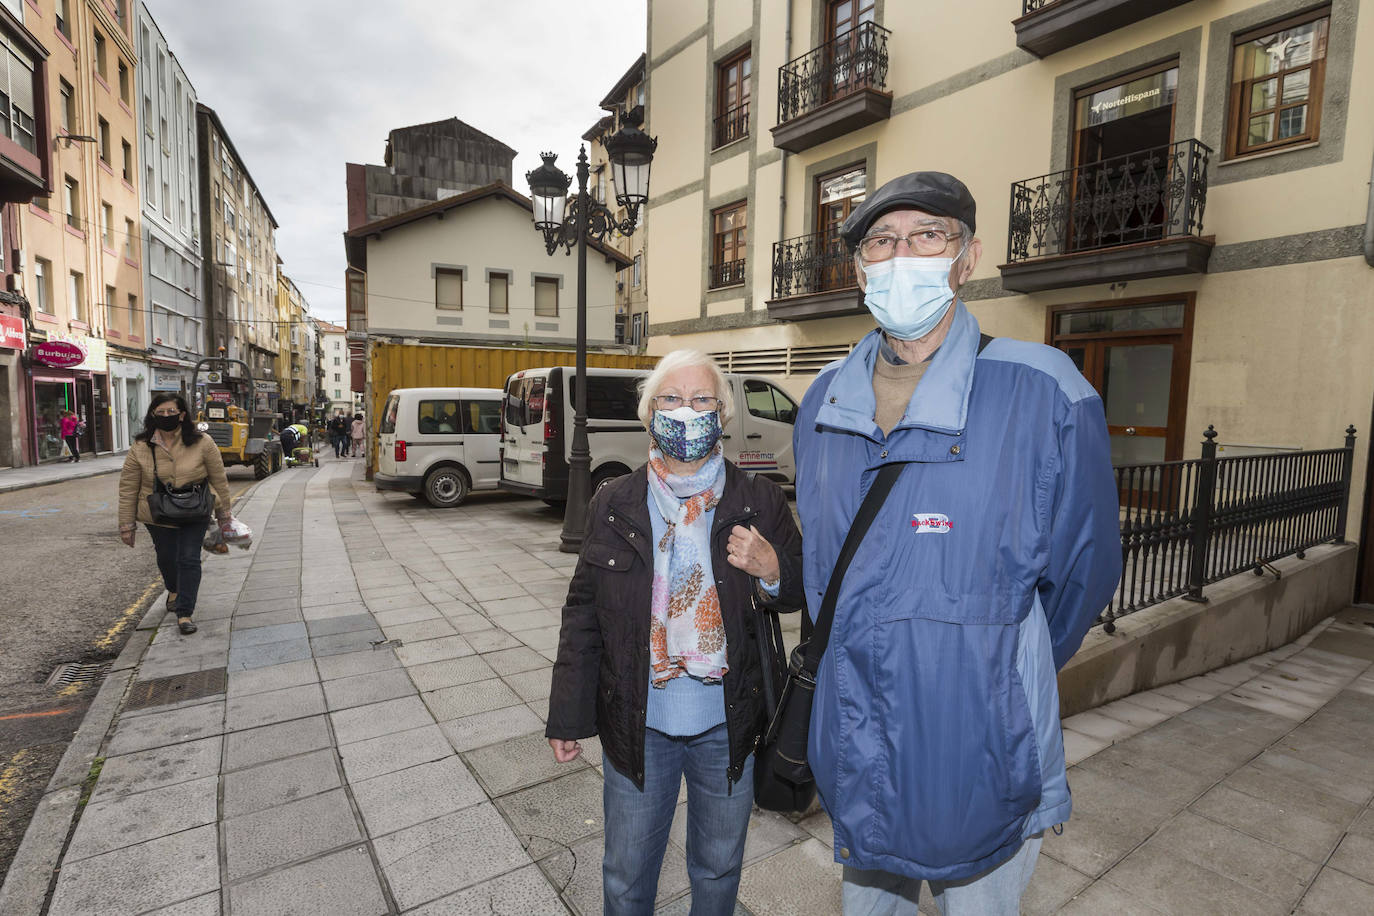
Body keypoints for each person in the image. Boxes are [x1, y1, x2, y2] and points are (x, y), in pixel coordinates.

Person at [792, 171, 1121, 915]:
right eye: (881, 241)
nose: (902, 255)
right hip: (859, 735)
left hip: (981, 738)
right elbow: (824, 574)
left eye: (927, 236)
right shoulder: (822, 400)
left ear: (966, 258)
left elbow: (1083, 572)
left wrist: (991, 661)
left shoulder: (1045, 388)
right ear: (859, 269)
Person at [546, 350, 804, 916]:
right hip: (639, 721)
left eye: (701, 399)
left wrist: (774, 569)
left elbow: (800, 593)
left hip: (727, 723)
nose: (686, 412)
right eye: (671, 399)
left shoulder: (758, 501)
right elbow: (584, 613)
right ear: (649, 413)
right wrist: (568, 714)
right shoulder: (614, 501)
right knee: (626, 876)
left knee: (717, 870)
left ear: (723, 414)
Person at [117, 393, 235, 635]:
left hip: (195, 509)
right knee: (167, 557)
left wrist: (224, 513)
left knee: (189, 559)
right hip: (158, 513)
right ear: (152, 415)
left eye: (171, 412)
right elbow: (128, 487)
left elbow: (218, 478)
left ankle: (185, 613)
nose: (166, 417)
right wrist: (126, 525)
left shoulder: (203, 441)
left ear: (182, 415)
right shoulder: (141, 446)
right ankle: (173, 588)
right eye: (160, 413)